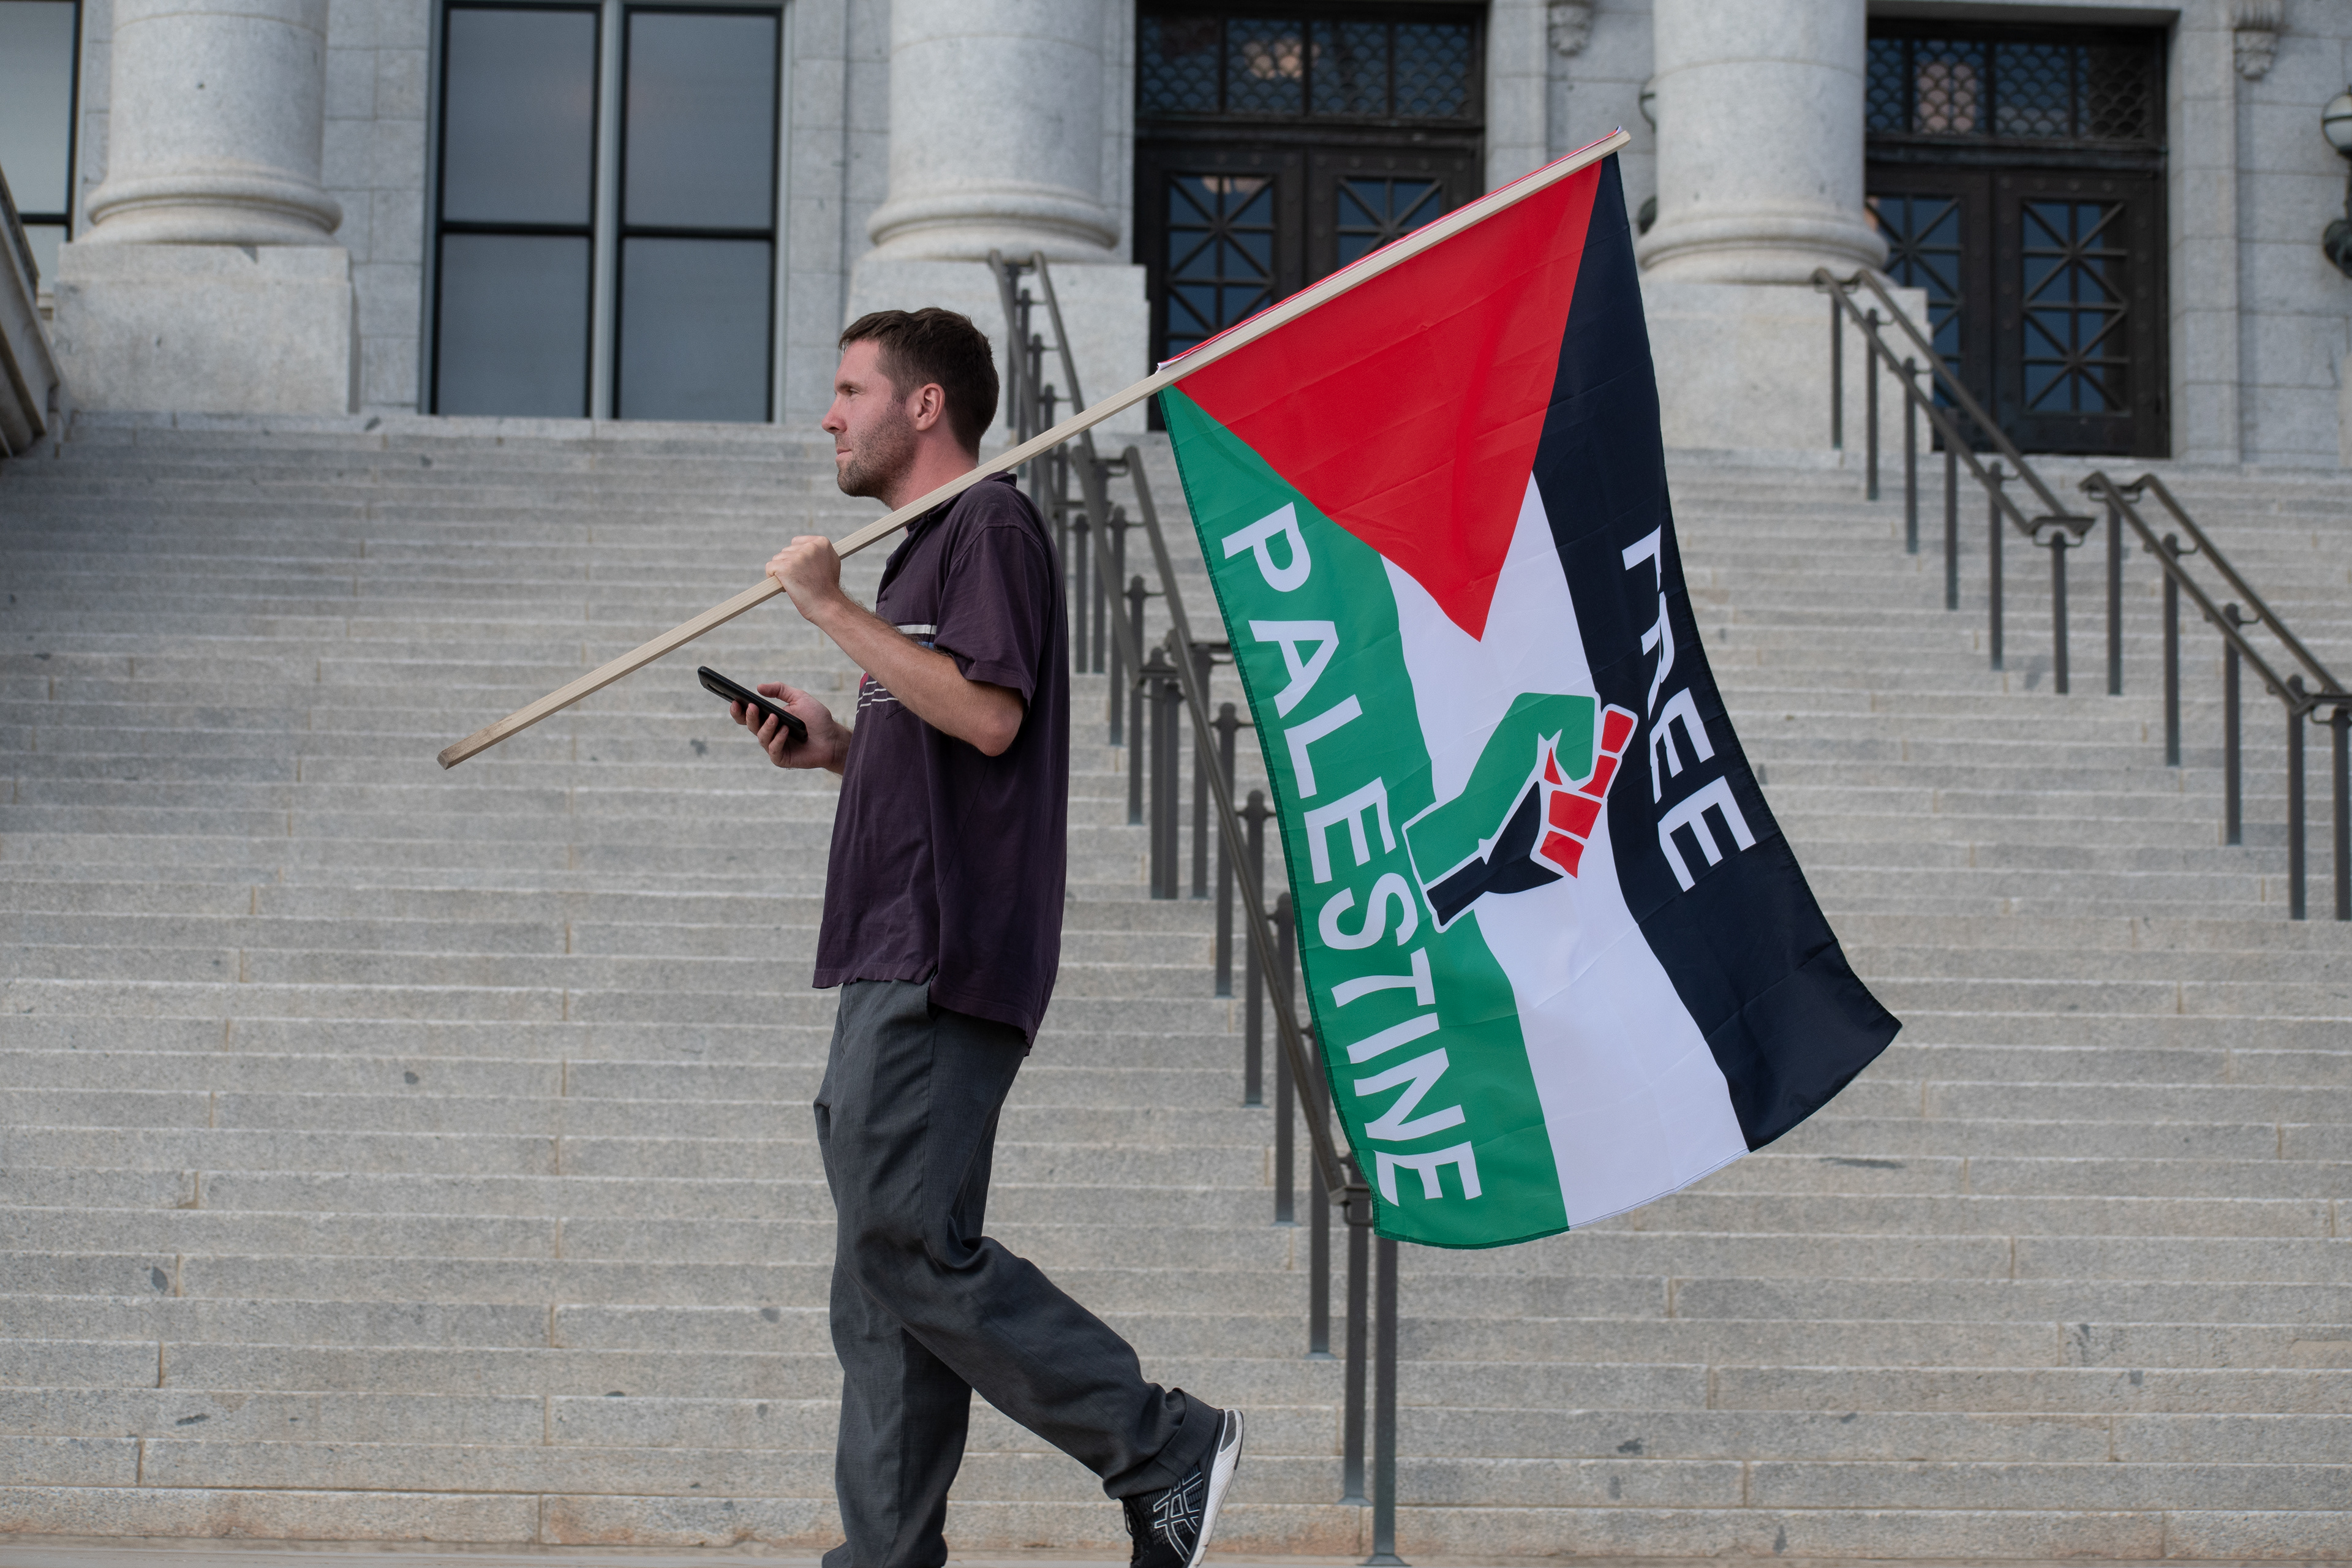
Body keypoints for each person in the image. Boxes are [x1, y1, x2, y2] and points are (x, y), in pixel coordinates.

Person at [729, 307, 1243, 1568]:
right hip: (890, 944)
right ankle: (888, 1552)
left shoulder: (989, 525)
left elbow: (994, 717)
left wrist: (828, 611)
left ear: (924, 406)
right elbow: (935, 733)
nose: (831, 415)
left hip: (945, 951)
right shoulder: (919, 561)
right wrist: (839, 740)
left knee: (901, 1236)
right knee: (883, 1266)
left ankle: (1158, 1438)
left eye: (851, 389)